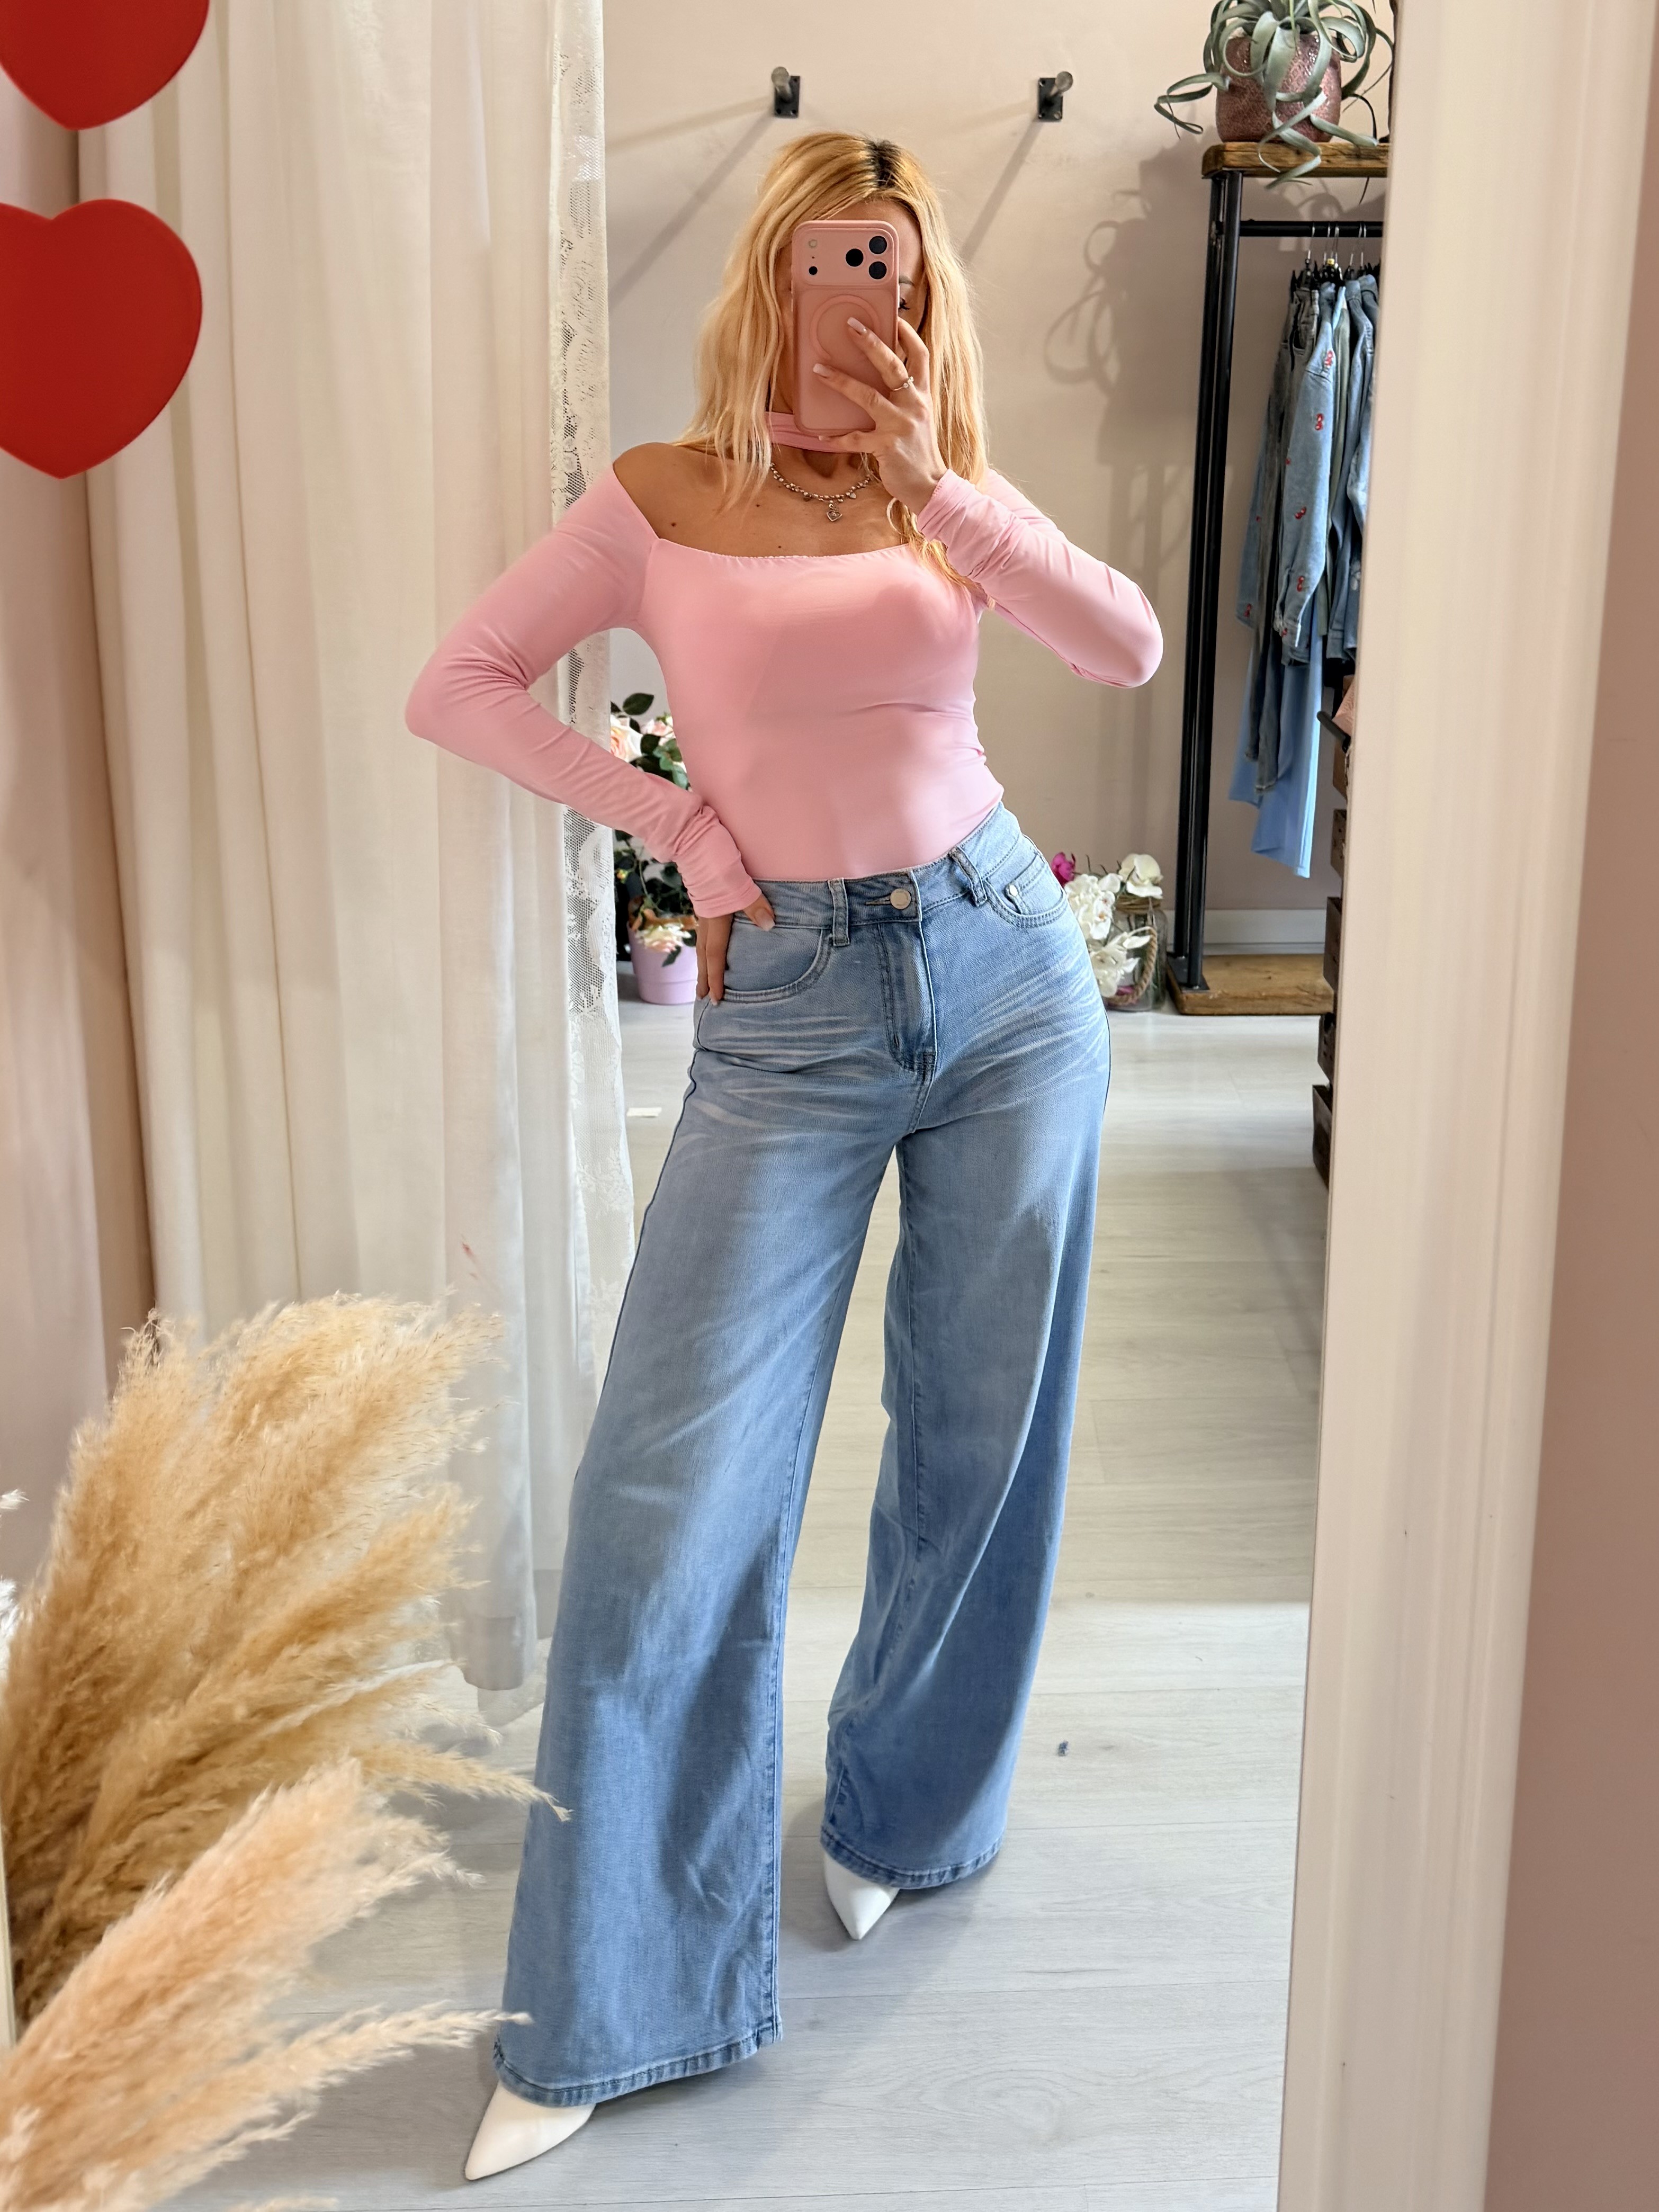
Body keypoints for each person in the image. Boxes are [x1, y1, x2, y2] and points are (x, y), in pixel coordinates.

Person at [403, 130, 1162, 2181]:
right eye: (840, 262)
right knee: (671, 1491)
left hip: (1007, 976)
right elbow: (458, 683)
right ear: (776, 278)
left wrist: (939, 485)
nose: (868, 299)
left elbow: (1126, 646)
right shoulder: (659, 497)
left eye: (896, 266)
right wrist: (683, 832)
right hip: (791, 1012)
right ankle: (612, 1987)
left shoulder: (945, 489)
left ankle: (914, 1807)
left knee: (978, 1432)